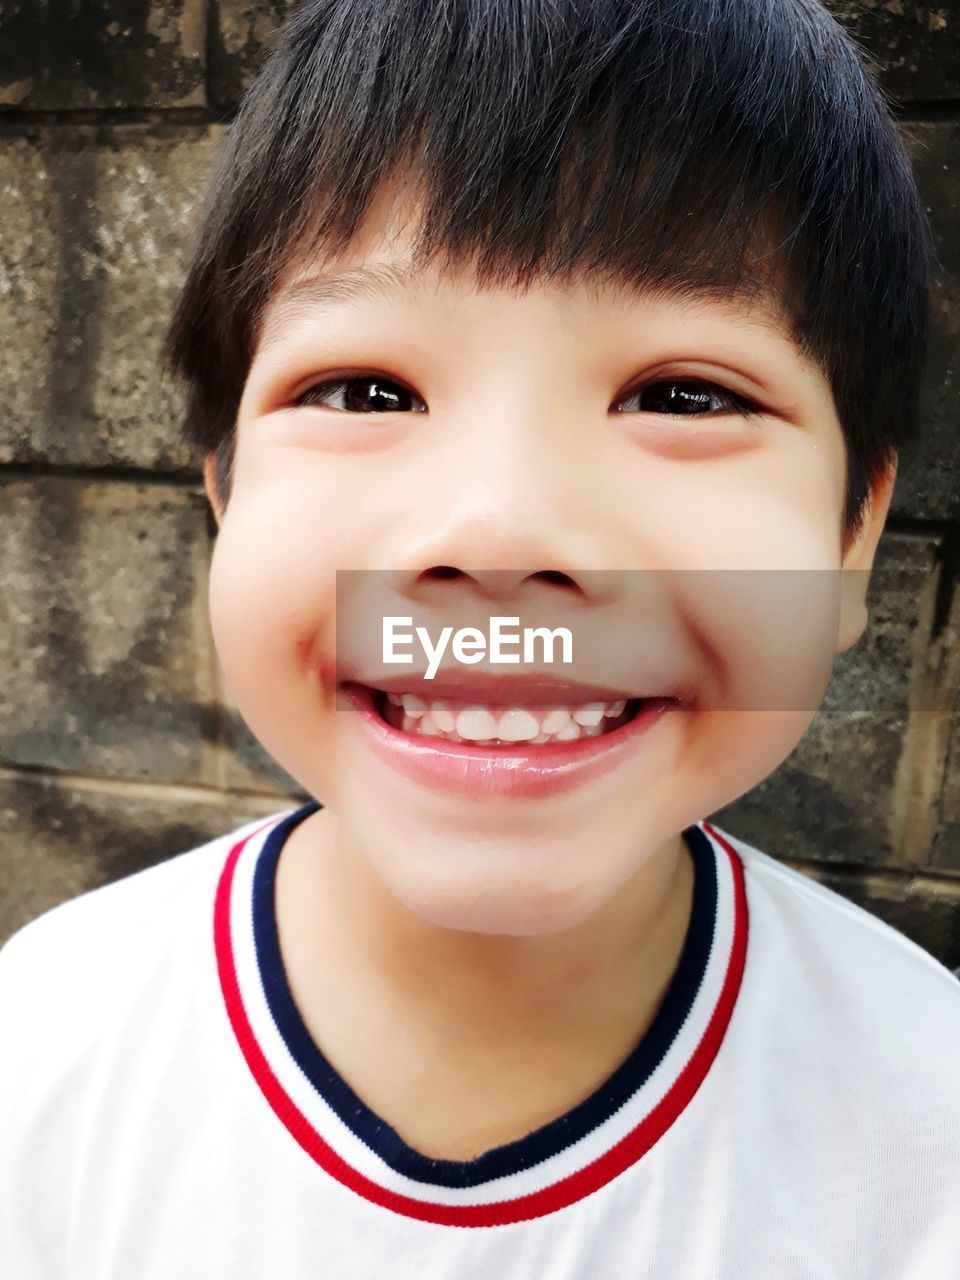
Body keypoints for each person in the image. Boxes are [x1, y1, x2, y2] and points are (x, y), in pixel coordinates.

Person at [2, 1, 958, 1275]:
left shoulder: (925, 1117)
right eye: (364, 391)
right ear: (224, 494)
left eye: (684, 394)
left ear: (852, 539)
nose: (501, 528)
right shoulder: (47, 1036)